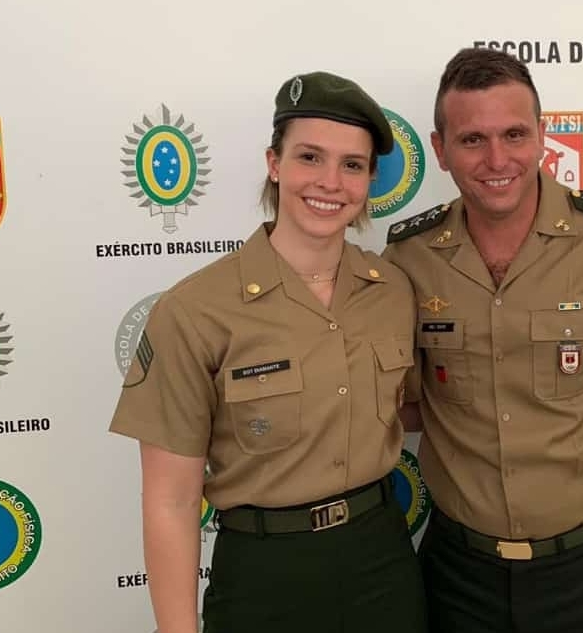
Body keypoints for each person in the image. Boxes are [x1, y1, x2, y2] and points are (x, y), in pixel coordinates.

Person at [382, 48, 583, 633]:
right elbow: (398, 399)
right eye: (472, 140)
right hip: (458, 572)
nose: (496, 159)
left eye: (514, 134)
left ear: (542, 136)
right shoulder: (409, 257)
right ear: (440, 150)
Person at [109, 71, 427, 633]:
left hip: (382, 559)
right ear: (274, 163)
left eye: (352, 165)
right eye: (310, 157)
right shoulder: (195, 310)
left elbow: (417, 407)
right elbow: (171, 501)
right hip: (264, 573)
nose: (330, 182)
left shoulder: (393, 291)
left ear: (369, 181)